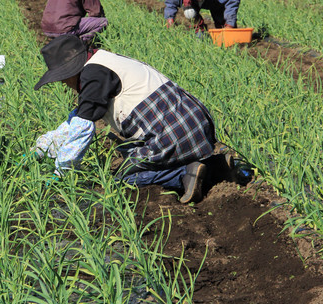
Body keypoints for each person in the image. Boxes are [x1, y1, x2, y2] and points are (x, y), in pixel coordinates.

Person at [31, 34, 225, 204]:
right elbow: (75, 122)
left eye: (63, 77)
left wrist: (62, 172)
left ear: (72, 70)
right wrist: (42, 148)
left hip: (175, 133)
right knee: (127, 152)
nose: (64, 83)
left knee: (119, 179)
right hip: (194, 123)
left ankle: (183, 174)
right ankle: (217, 166)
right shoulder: (102, 63)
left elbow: (81, 129)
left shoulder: (93, 75)